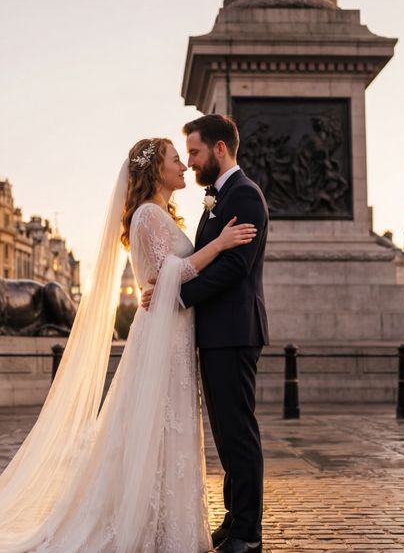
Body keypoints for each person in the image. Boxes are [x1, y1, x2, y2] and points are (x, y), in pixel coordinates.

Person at [0, 134, 256, 553]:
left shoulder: (160, 213)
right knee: (157, 424)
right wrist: (219, 245)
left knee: (166, 426)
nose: (184, 165)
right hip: (164, 334)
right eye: (175, 158)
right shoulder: (147, 214)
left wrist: (179, 273)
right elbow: (169, 272)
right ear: (155, 169)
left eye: (186, 157)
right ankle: (150, 525)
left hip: (173, 331)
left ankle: (166, 522)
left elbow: (163, 275)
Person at [142, 114, 269, 553]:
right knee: (226, 435)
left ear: (219, 149)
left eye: (194, 152)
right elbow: (204, 259)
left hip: (234, 331)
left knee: (239, 432)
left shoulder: (244, 195)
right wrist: (169, 288)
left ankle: (248, 533)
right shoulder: (220, 197)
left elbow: (235, 267)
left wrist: (176, 295)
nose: (191, 161)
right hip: (216, 333)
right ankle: (234, 519)